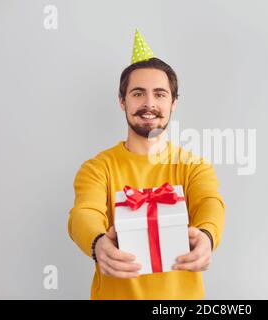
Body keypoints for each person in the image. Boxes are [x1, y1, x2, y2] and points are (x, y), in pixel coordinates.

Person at [67, 29, 225, 299]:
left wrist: (207, 237)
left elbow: (209, 202)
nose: (149, 104)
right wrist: (97, 243)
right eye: (138, 93)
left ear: (173, 103)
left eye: (160, 94)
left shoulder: (194, 167)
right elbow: (84, 213)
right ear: (122, 101)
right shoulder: (97, 168)